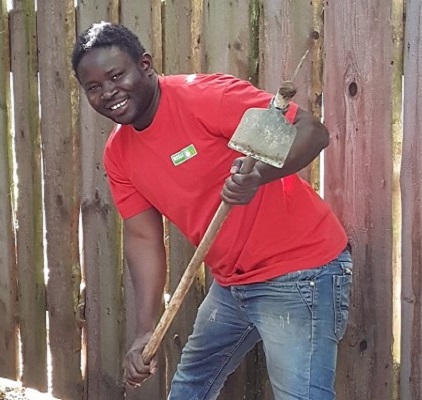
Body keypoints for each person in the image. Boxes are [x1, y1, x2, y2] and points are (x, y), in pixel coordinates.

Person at [72, 21, 353, 400]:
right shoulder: (119, 154)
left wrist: (259, 177)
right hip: (233, 283)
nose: (108, 92)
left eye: (116, 75)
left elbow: (312, 131)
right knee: (190, 389)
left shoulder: (203, 97)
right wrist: (145, 330)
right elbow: (142, 239)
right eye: (94, 87)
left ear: (145, 65)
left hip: (300, 271)